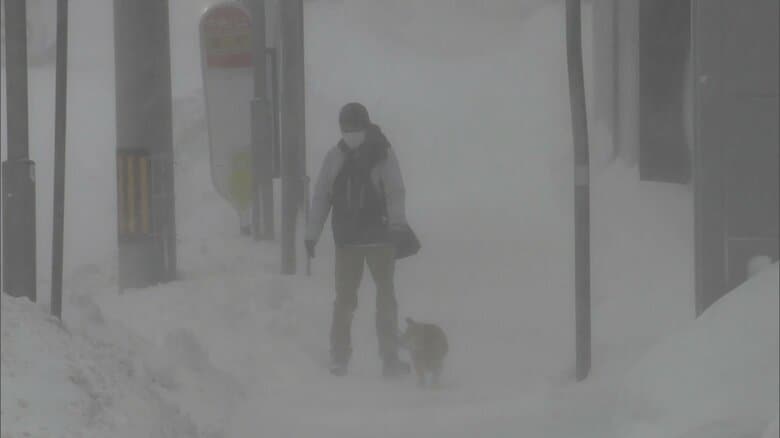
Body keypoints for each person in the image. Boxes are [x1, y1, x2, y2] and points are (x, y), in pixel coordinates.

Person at [305, 102, 411, 378]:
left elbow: (394, 192)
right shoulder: (351, 156)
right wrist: (311, 233)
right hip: (364, 241)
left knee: (361, 299)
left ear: (364, 127)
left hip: (363, 240)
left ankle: (359, 358)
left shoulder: (370, 154)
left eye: (354, 128)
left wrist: (312, 234)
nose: (350, 133)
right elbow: (321, 198)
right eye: (346, 129)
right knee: (370, 298)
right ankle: (371, 359)